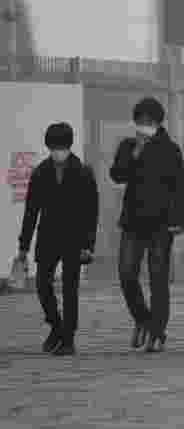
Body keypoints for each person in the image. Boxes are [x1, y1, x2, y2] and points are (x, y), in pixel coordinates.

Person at [110, 97, 184, 353]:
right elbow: (117, 174)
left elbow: (180, 188)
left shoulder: (170, 149)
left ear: (157, 122)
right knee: (126, 273)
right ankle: (142, 319)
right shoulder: (128, 145)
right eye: (139, 121)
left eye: (148, 122)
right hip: (133, 222)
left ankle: (157, 331)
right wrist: (134, 154)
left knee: (158, 279)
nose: (143, 126)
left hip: (161, 225)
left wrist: (179, 219)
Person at [17, 122, 99, 356]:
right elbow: (31, 212)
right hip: (48, 238)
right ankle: (56, 326)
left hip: (74, 240)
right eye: (54, 146)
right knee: (43, 286)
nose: (58, 151)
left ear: (69, 146)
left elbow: (91, 213)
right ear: (49, 146)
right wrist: (23, 247)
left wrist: (88, 245)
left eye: (62, 146)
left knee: (70, 289)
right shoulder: (41, 172)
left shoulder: (83, 172)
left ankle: (68, 339)